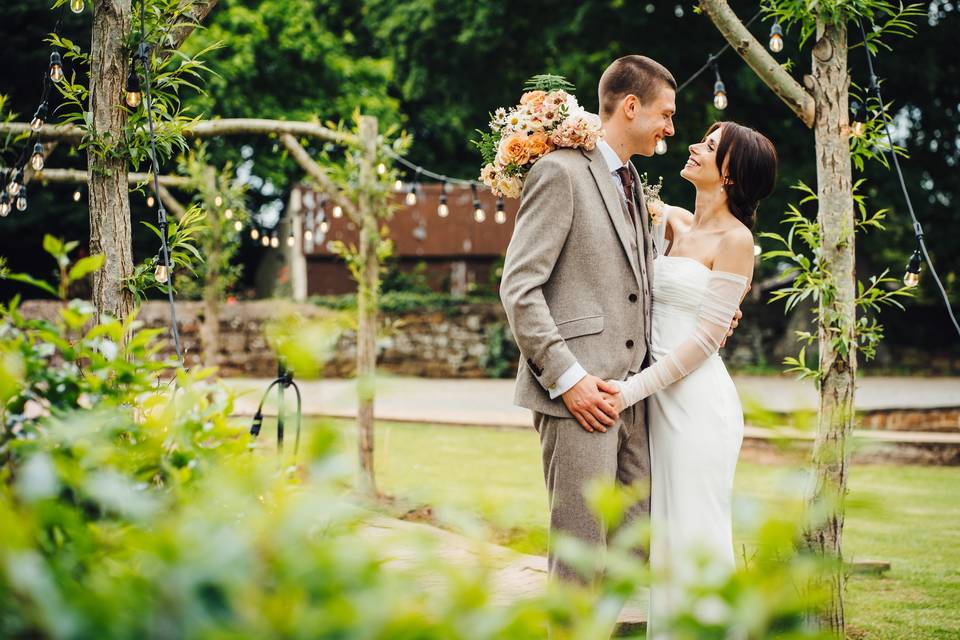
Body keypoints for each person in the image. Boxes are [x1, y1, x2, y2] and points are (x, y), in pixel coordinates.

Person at [500, 55, 680, 582]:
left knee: (633, 551)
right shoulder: (559, 172)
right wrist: (569, 381)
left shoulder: (633, 183)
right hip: (577, 401)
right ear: (630, 107)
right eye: (665, 114)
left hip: (633, 399)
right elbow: (519, 287)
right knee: (579, 561)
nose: (671, 127)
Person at [603, 121, 778, 637]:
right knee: (666, 541)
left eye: (709, 145)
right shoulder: (671, 222)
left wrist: (630, 390)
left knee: (696, 536)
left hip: (698, 406)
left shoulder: (737, 240)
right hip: (657, 398)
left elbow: (705, 341)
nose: (694, 148)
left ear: (729, 173)